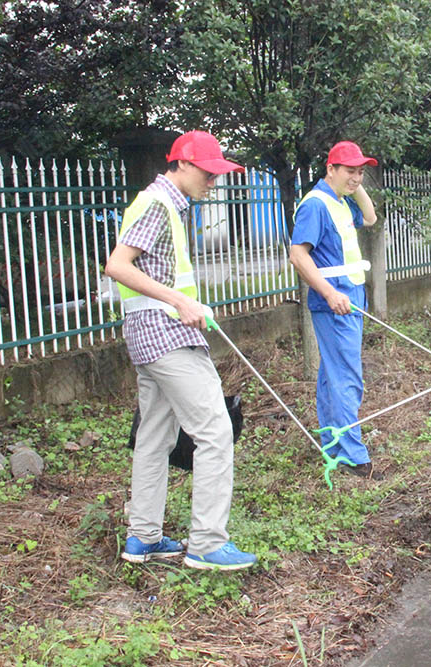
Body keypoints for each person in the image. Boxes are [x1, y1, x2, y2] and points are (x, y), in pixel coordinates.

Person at [105, 130, 257, 570]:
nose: (213, 182)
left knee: (154, 437)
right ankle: (208, 543)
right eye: (209, 173)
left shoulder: (165, 204)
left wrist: (182, 300)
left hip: (151, 334)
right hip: (167, 335)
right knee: (215, 431)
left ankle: (144, 539)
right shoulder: (157, 203)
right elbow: (117, 265)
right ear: (184, 164)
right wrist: (179, 301)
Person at [289, 141, 379, 477]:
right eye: (350, 171)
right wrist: (328, 293)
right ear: (330, 169)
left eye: (361, 171)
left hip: (351, 294)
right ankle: (354, 455)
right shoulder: (315, 205)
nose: (357, 177)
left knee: (333, 375)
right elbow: (298, 255)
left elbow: (369, 218)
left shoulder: (339, 201)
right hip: (336, 300)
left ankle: (333, 444)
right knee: (347, 377)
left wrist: (355, 188)